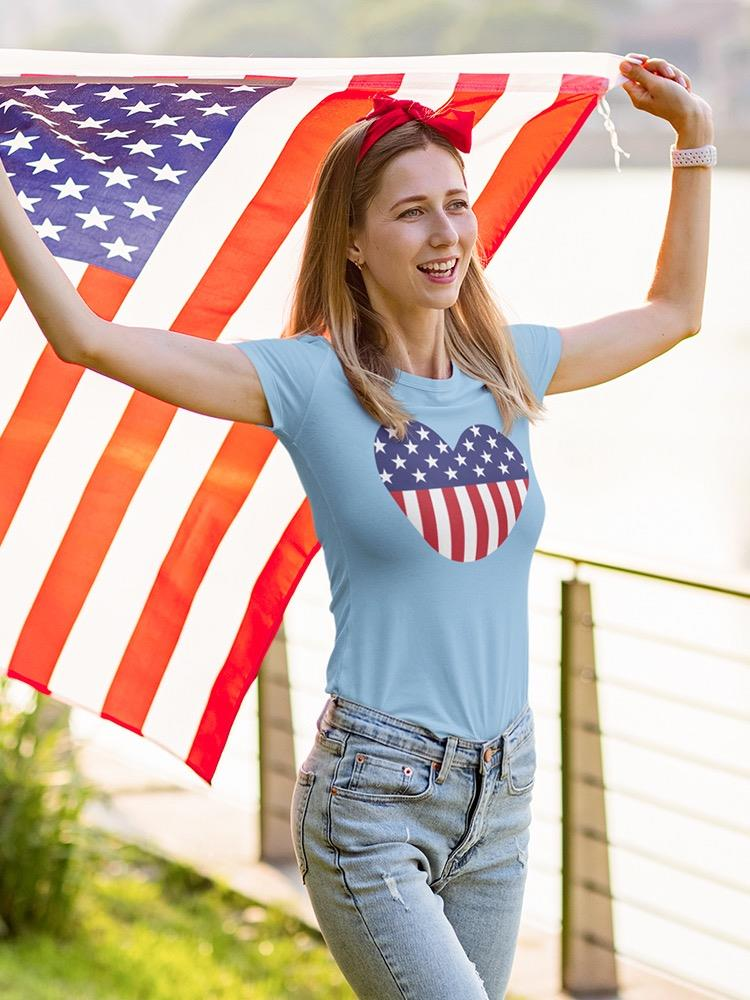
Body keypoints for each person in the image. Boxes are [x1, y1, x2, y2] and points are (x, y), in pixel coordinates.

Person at [0, 52, 713, 999]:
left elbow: (676, 313)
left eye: (456, 203)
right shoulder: (307, 379)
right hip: (373, 795)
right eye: (412, 210)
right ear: (352, 241)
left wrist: (696, 141)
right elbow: (86, 338)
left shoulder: (511, 370)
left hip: (502, 788)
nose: (445, 231)